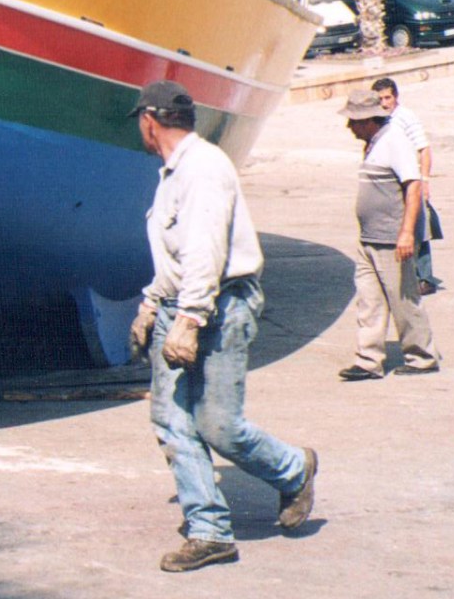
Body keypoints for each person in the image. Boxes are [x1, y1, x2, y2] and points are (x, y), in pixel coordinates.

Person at [126, 80, 316, 573]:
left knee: (218, 426)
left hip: (220, 306)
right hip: (182, 304)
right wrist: (151, 305)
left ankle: (293, 468)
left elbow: (206, 252)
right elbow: (174, 254)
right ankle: (209, 530)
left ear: (150, 121)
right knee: (171, 422)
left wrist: (188, 320)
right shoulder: (173, 173)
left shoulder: (205, 170)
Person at [337, 89, 441, 381]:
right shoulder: (373, 143)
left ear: (369, 120)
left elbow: (414, 186)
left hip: (391, 240)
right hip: (369, 238)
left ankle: (422, 356)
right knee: (369, 301)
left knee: (403, 300)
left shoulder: (394, 140)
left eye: (354, 121)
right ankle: (369, 360)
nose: (349, 127)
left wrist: (407, 233)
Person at [371, 77, 439, 295]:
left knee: (419, 227)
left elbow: (424, 149)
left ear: (396, 97)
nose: (384, 102)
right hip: (390, 182)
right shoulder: (378, 119)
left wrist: (425, 181)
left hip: (410, 179)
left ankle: (425, 277)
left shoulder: (405, 117)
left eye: (387, 97)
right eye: (380, 98)